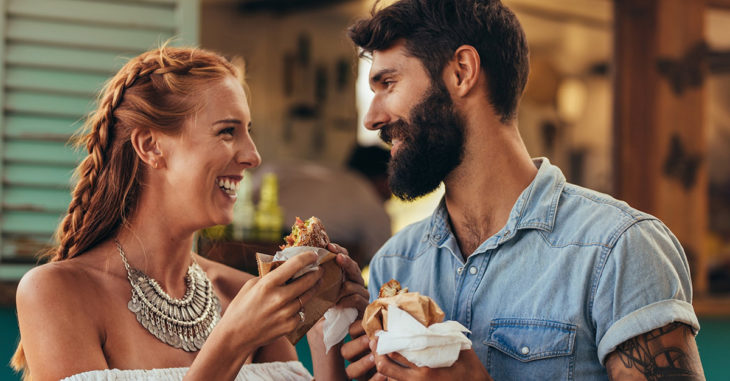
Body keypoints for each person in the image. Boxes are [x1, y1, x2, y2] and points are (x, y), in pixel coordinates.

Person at [340, 0, 705, 380]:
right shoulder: (395, 264)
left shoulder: (619, 248)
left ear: (462, 72)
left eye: (388, 83)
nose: (372, 118)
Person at [11, 46, 368, 380]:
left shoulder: (243, 293)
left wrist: (327, 328)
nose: (252, 155)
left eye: (249, 132)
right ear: (150, 146)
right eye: (227, 131)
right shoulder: (55, 293)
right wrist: (232, 341)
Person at [253, 145, 392, 267]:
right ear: (383, 178)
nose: (392, 193)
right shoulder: (367, 198)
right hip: (293, 258)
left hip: (254, 240)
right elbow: (384, 260)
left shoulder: (326, 174)